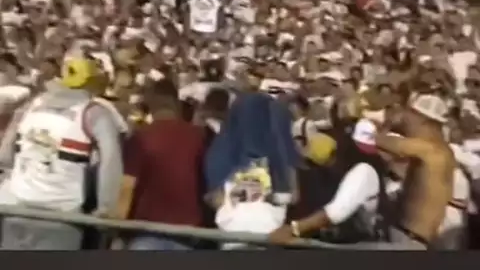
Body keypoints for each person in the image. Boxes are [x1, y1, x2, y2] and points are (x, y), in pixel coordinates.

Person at [0, 58, 124, 250]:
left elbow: (5, 156)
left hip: (16, 208)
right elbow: (111, 162)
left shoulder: (33, 104)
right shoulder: (94, 113)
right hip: (61, 214)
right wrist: (105, 207)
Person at [117, 78, 207, 250]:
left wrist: (116, 229)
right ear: (177, 105)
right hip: (187, 230)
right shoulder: (198, 136)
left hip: (146, 228)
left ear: (151, 105)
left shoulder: (140, 137)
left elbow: (127, 186)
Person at [269, 119, 390, 245]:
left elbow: (335, 213)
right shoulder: (335, 176)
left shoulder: (363, 172)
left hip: (364, 246)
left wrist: (293, 229)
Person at [204, 92, 300, 244]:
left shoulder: (222, 149)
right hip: (270, 235)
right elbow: (293, 196)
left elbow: (215, 197)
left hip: (234, 235)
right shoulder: (281, 152)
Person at [374, 93, 455, 249]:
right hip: (413, 238)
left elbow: (378, 141)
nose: (405, 118)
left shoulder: (429, 149)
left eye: (410, 113)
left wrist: (387, 123)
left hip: (409, 240)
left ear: (422, 119)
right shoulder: (444, 151)